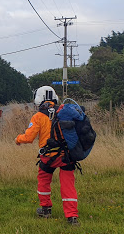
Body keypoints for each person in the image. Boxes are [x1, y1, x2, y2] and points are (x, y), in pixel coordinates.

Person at [15, 86, 79, 226]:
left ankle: (46, 210)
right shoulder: (64, 111)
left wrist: (18, 139)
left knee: (43, 181)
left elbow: (29, 137)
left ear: (39, 100)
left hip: (48, 157)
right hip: (66, 156)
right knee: (68, 185)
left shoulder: (38, 116)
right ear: (54, 98)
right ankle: (72, 217)